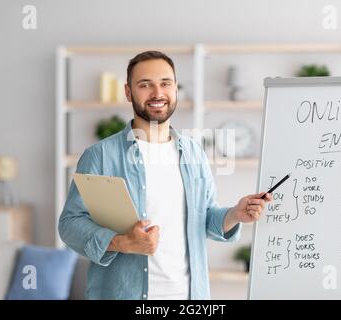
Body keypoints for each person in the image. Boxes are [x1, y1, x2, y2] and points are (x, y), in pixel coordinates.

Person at [58, 51, 272, 300]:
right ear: (128, 92)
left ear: (175, 89)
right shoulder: (100, 155)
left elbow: (204, 217)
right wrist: (121, 242)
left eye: (165, 83)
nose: (157, 93)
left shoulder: (194, 152)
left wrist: (236, 213)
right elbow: (70, 224)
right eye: (145, 85)